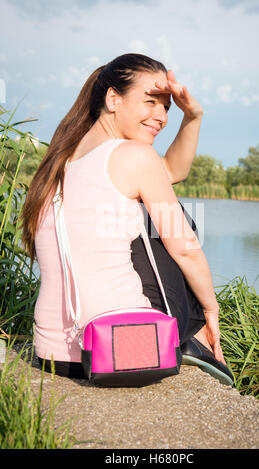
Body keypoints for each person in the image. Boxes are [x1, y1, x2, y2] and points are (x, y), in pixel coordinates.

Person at [20, 53, 233, 386]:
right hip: (126, 349)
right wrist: (211, 311)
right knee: (175, 222)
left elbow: (173, 171)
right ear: (113, 99)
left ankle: (186, 336)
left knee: (147, 207)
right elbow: (187, 248)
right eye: (150, 102)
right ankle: (194, 336)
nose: (161, 116)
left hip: (53, 356)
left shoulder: (59, 163)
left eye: (166, 107)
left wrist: (192, 117)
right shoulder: (133, 156)